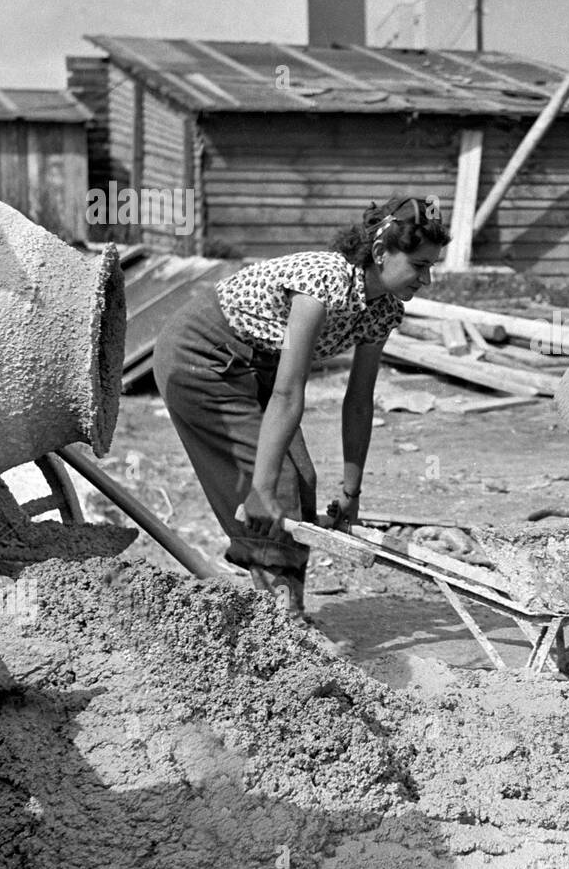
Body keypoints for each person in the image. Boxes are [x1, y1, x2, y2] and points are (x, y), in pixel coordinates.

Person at [152, 195, 449, 618]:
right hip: (201, 358)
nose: (427, 280)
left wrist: (351, 492)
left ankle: (285, 616)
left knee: (301, 479)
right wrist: (259, 489)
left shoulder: (383, 309)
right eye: (420, 265)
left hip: (257, 363)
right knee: (276, 487)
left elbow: (359, 400)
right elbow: (289, 392)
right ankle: (282, 622)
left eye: (431, 267)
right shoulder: (321, 286)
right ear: (381, 253)